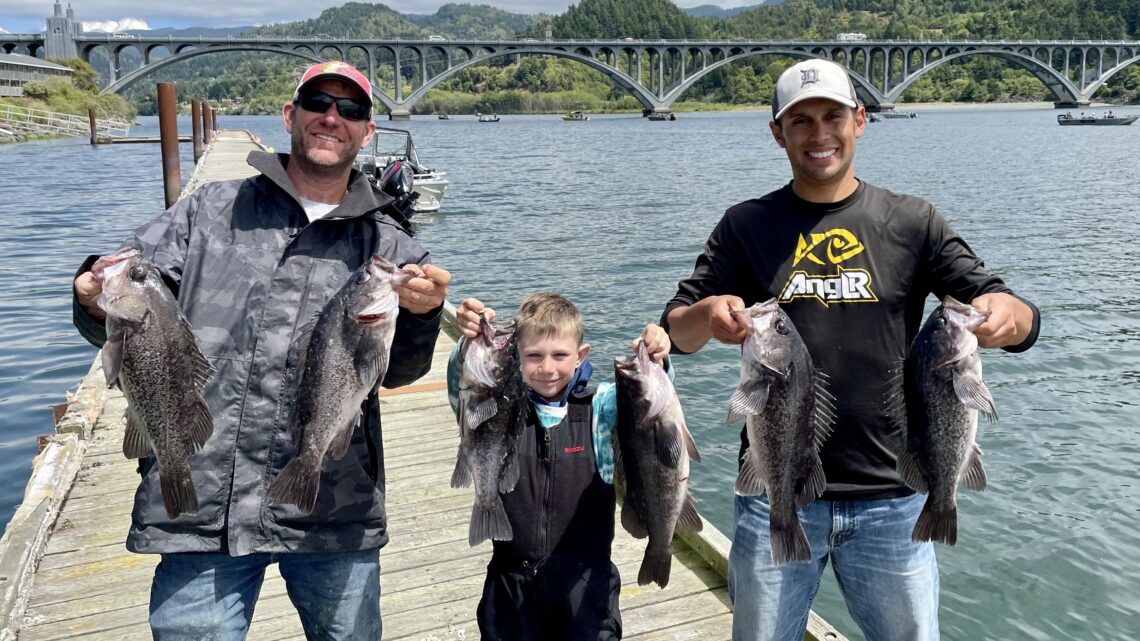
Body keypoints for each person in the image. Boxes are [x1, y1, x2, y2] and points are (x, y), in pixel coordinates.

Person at [659, 58, 1040, 641]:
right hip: (774, 492)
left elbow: (1004, 306)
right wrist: (706, 317)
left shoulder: (913, 221)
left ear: (860, 121)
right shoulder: (744, 226)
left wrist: (1011, 317)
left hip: (894, 498)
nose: (819, 135)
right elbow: (676, 332)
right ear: (777, 132)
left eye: (833, 116)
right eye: (801, 121)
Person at [71, 60, 451, 640]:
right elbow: (129, 312)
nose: (332, 118)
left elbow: (396, 372)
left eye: (350, 110)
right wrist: (95, 298)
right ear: (289, 116)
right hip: (200, 510)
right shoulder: (206, 210)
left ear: (367, 131)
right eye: (318, 103)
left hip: (332, 511)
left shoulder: (392, 246)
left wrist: (423, 317)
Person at [447, 294, 671, 641]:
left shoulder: (600, 409)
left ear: (581, 355)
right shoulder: (500, 406)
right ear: (515, 356)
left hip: (586, 586)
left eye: (560, 355)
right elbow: (462, 385)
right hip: (510, 586)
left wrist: (657, 359)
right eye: (533, 356)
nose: (547, 368)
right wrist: (468, 346)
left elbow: (646, 404)